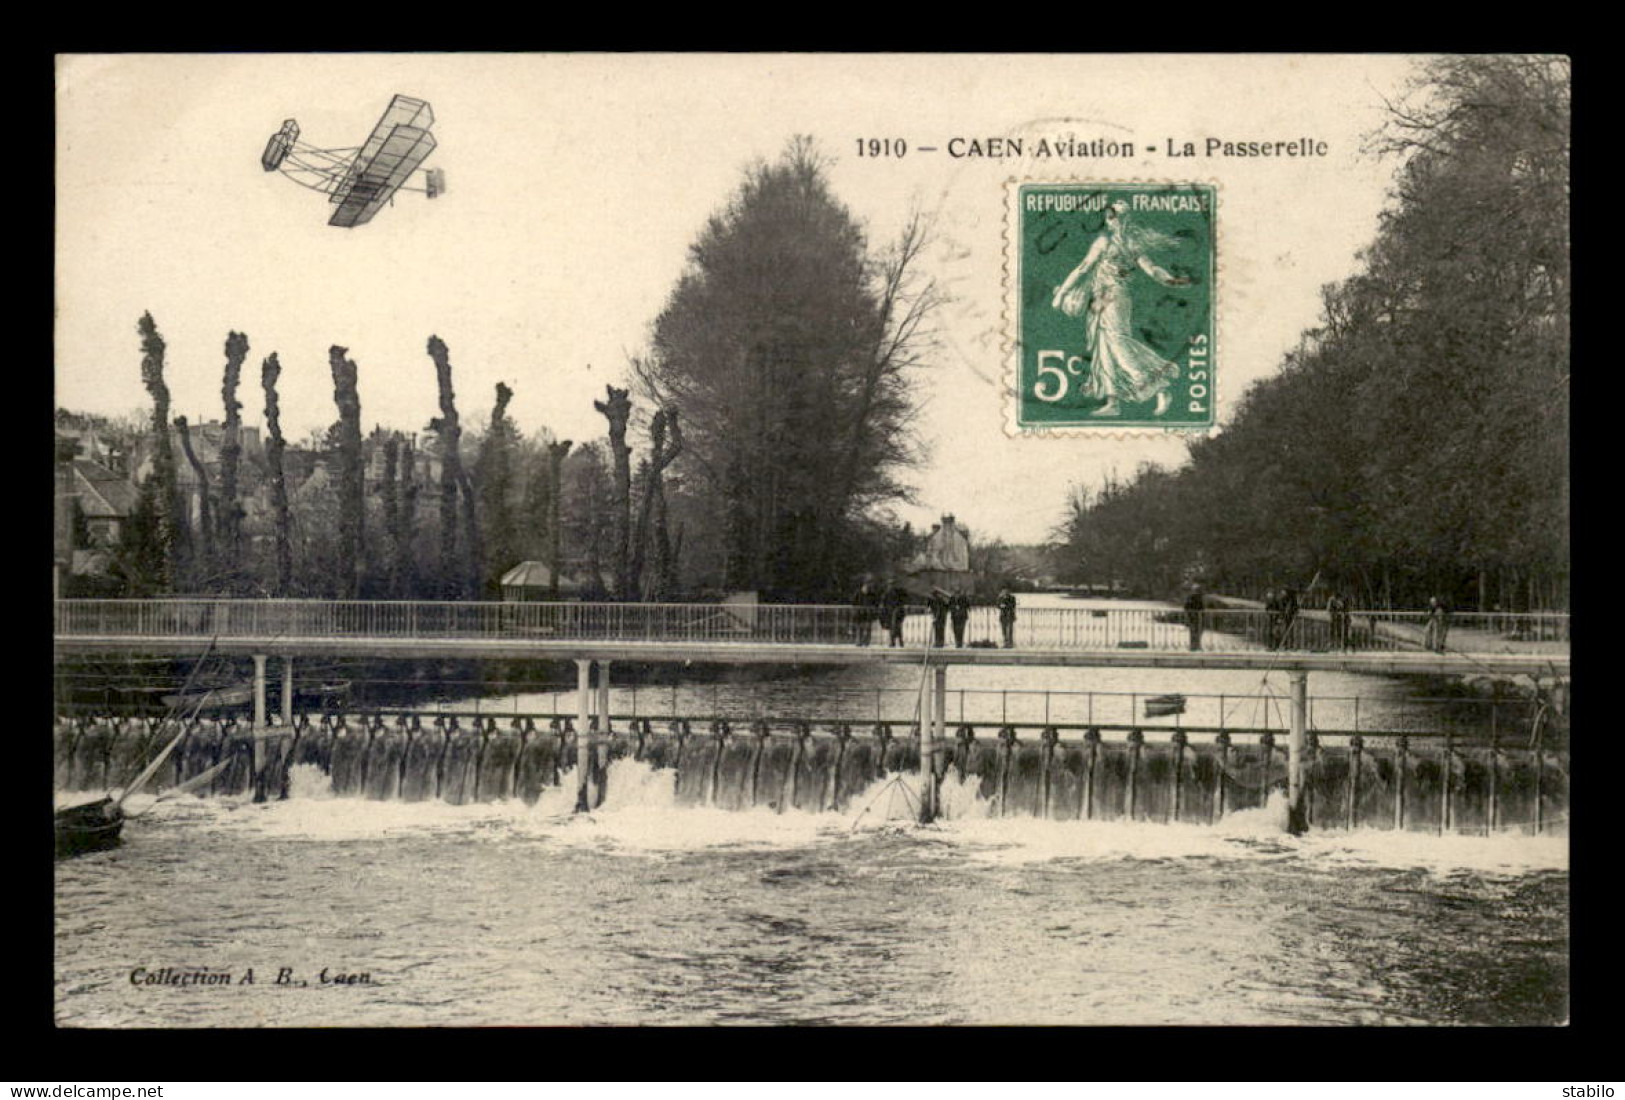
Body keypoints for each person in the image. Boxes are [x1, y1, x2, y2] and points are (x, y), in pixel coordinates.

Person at [1051, 199, 1194, 417]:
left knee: (1118, 343)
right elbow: (1153, 270)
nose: (1109, 221)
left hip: (1114, 299)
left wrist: (1061, 293)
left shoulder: (1110, 242)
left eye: (1112, 217)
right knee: (1104, 348)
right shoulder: (1128, 243)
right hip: (1101, 300)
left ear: (1122, 219)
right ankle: (1113, 403)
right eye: (1108, 217)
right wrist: (1170, 280)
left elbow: (1083, 269)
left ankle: (1158, 386)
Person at [882, 580, 908, 648]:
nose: (891, 586)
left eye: (892, 585)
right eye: (890, 585)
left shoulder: (898, 593)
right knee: (892, 628)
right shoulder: (886, 594)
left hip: (897, 613)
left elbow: (901, 603)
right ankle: (893, 641)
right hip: (890, 613)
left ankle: (899, 642)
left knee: (897, 628)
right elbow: (884, 604)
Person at [852, 579, 877, 646]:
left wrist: (873, 611)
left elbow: (875, 603)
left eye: (868, 587)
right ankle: (858, 642)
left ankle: (866, 642)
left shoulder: (872, 595)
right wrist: (856, 610)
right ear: (862, 587)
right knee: (859, 628)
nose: (866, 588)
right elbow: (854, 603)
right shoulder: (858, 594)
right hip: (859, 614)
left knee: (868, 628)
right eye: (865, 587)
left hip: (868, 614)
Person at [1183, 584, 1205, 651]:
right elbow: (1186, 607)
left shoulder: (1197, 597)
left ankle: (1195, 646)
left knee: (1196, 632)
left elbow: (1186, 607)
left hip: (1196, 617)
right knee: (1195, 631)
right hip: (1194, 617)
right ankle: (1194, 646)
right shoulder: (1193, 597)